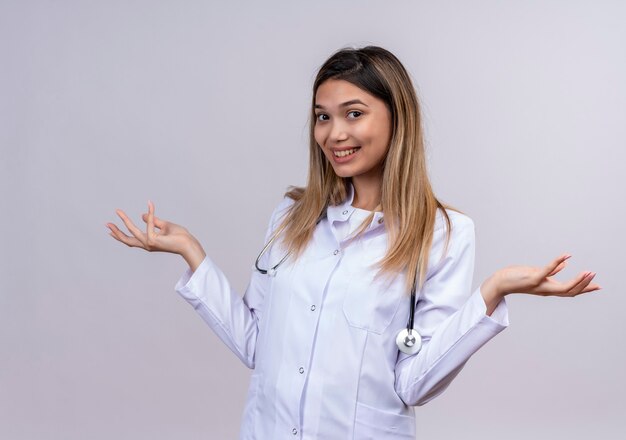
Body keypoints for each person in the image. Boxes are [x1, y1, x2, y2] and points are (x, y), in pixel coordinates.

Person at [106, 46, 600, 439]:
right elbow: (260, 346)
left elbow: (413, 385)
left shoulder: (443, 234)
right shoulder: (292, 217)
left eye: (354, 113)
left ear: (396, 117)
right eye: (323, 116)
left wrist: (492, 293)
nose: (334, 133)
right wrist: (194, 254)